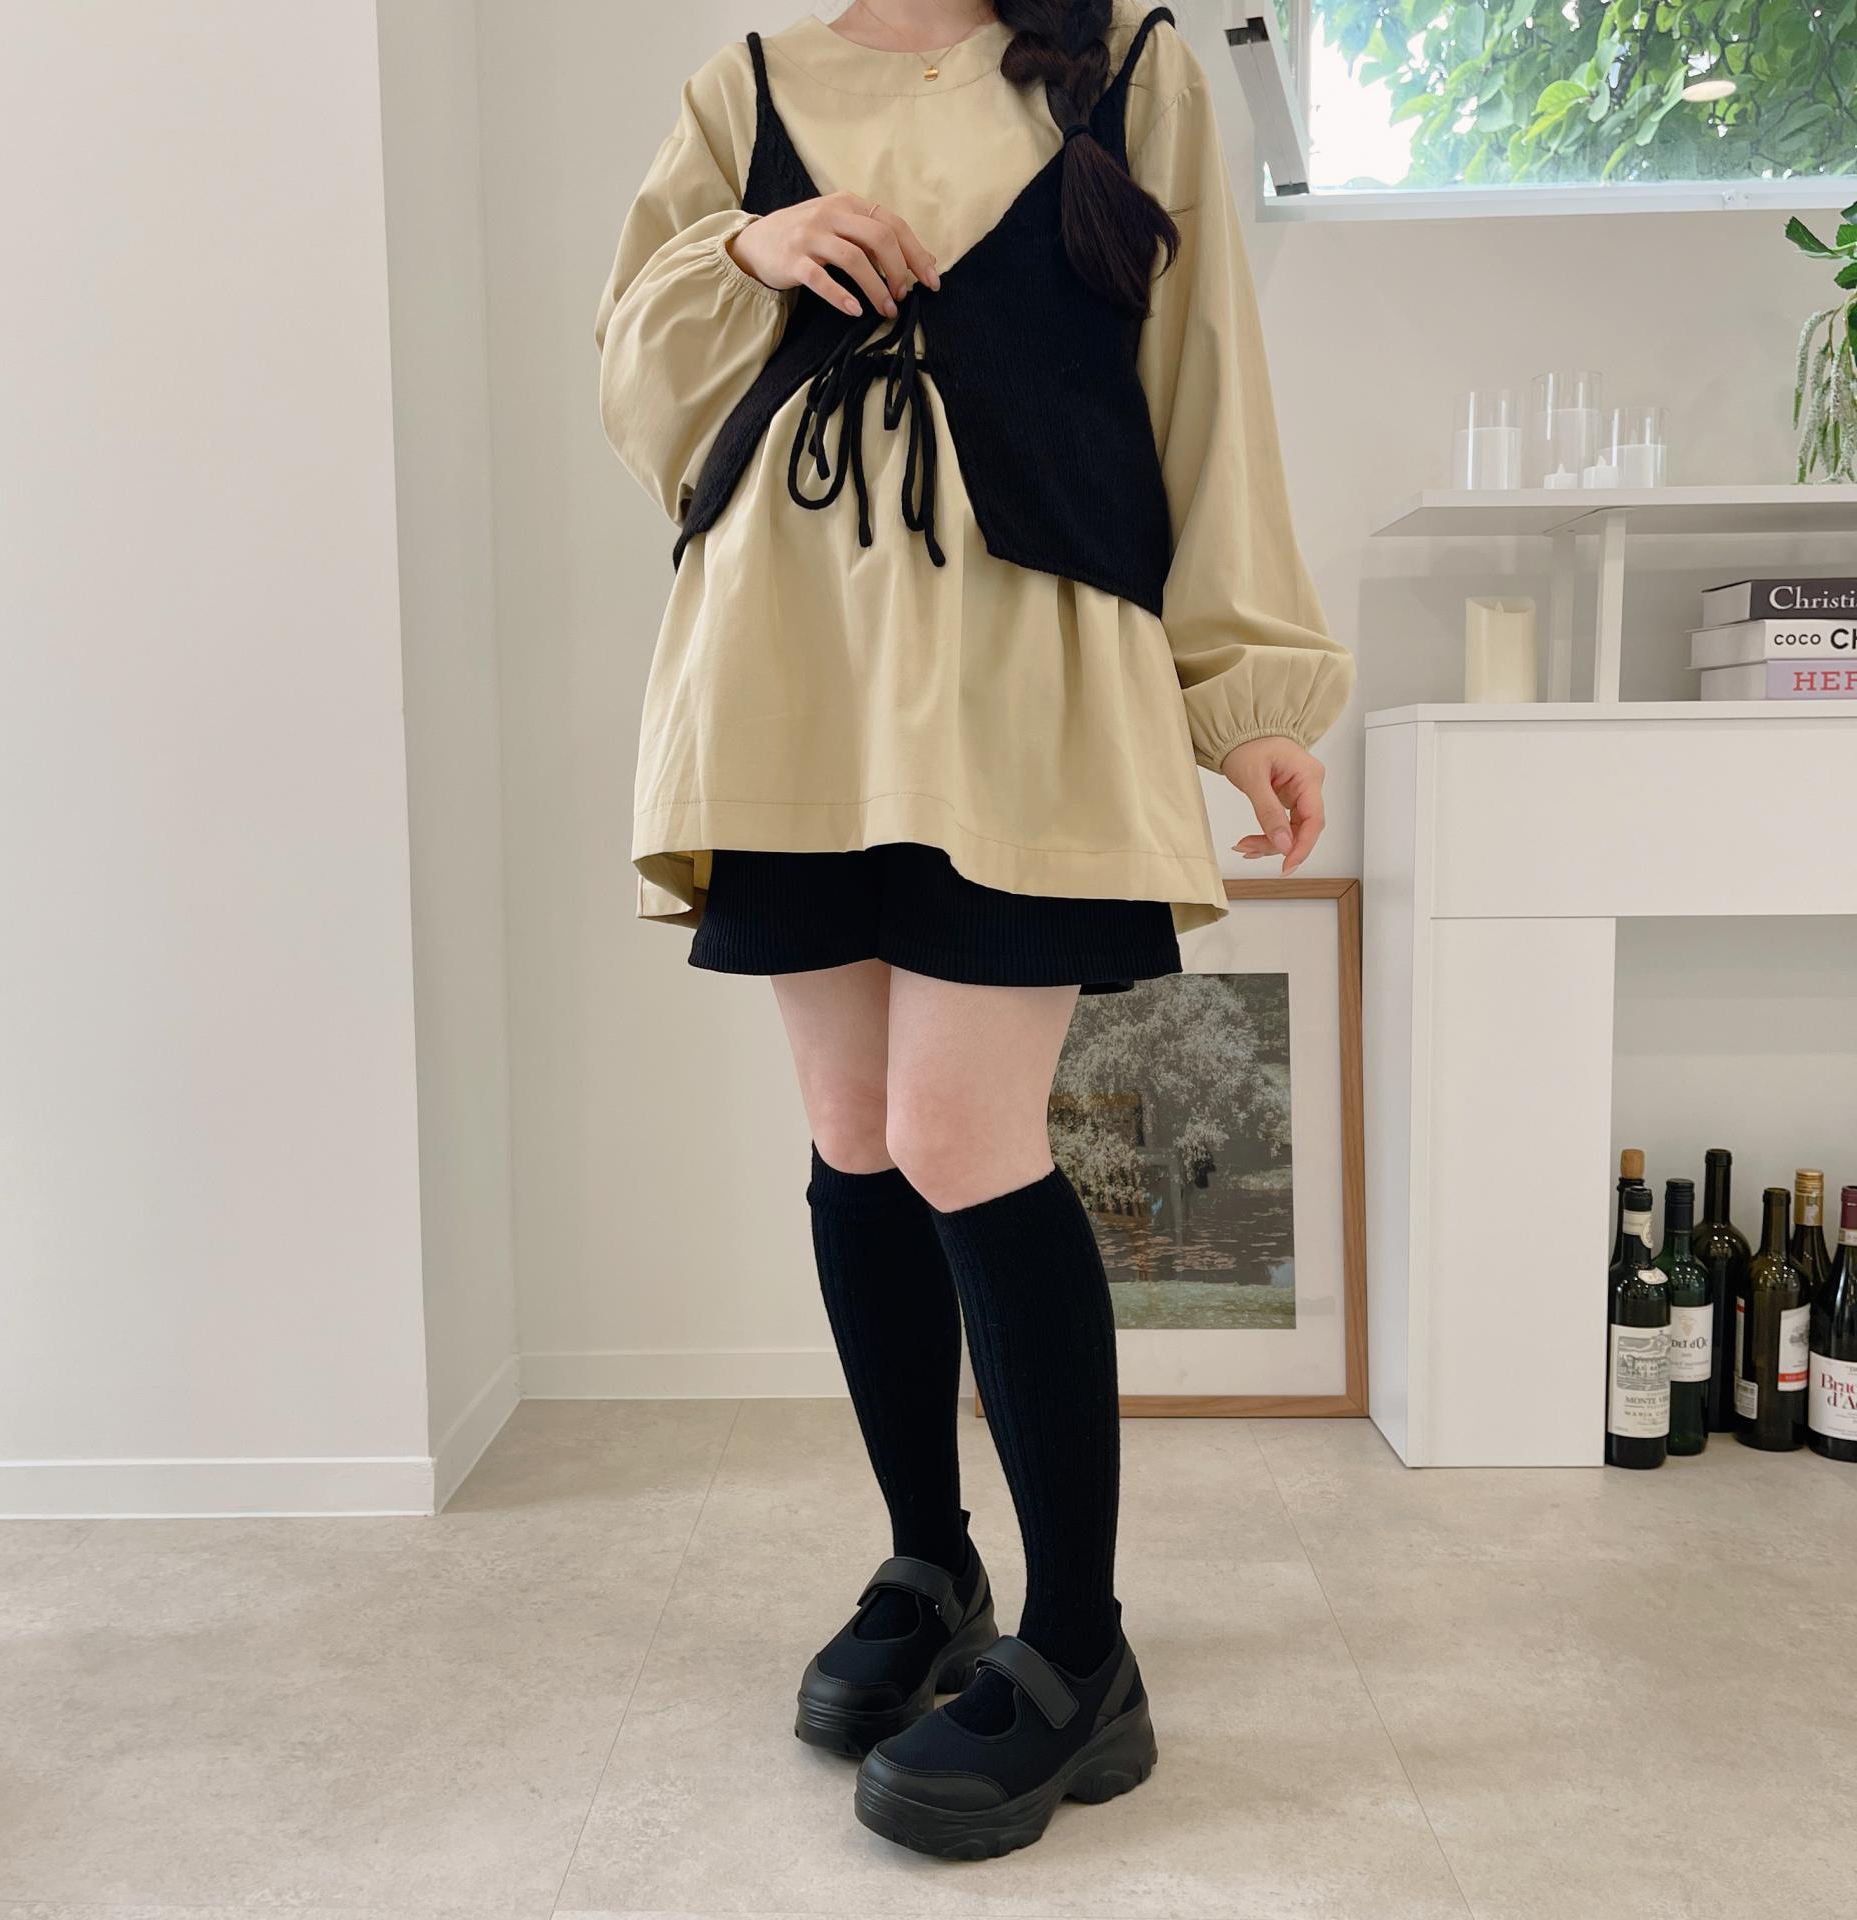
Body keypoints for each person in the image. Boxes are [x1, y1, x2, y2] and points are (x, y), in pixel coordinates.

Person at [597, 0, 1352, 1860]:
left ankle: (1082, 1647)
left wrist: (1245, 690)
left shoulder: (1131, 64)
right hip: (791, 668)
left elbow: (1206, 387)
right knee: (855, 1134)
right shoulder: (743, 87)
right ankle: (931, 1566)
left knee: (961, 1135)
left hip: (1021, 668)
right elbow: (638, 380)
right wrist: (748, 248)